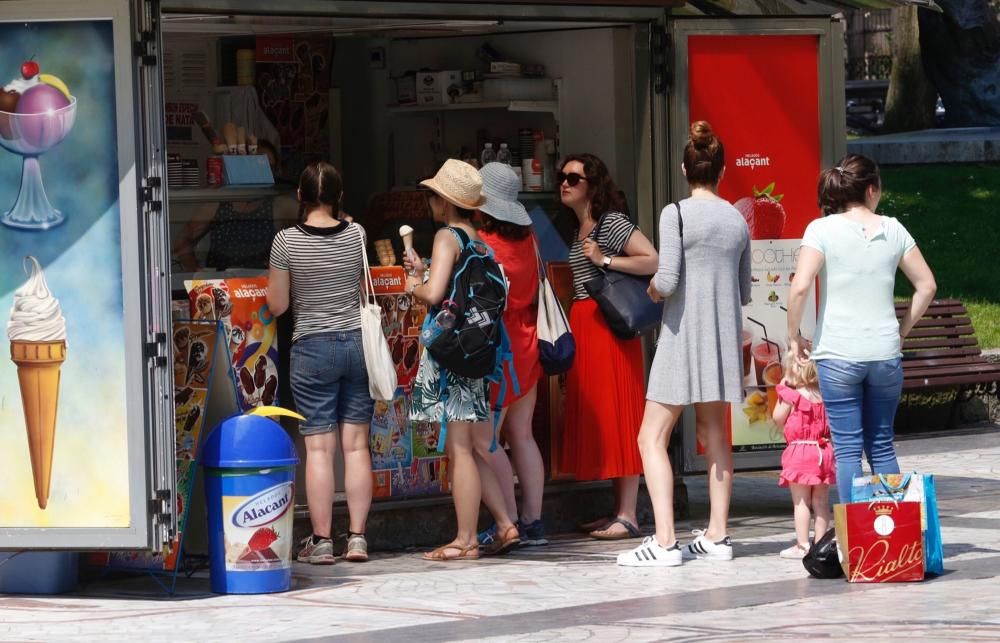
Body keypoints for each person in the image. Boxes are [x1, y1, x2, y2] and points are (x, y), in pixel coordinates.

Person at [617, 122, 751, 567]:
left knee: (650, 437)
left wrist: (652, 291)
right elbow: (743, 290)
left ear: (683, 168)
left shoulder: (674, 213)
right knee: (716, 437)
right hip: (721, 340)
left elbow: (669, 279)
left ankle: (665, 541)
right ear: (723, 171)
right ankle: (717, 535)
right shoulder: (737, 219)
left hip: (681, 337)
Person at [786, 153, 936, 504]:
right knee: (881, 445)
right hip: (885, 353)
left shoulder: (820, 229)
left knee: (848, 449)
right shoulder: (895, 229)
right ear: (872, 188)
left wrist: (793, 337)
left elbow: (800, 286)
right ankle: (891, 540)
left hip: (837, 355)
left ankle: (855, 543)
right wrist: (902, 330)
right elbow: (926, 285)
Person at [404, 159, 520, 561]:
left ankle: (466, 538)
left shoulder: (445, 236)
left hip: (455, 355)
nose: (429, 201)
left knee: (460, 448)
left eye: (433, 195)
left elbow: (434, 295)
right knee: (472, 443)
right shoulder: (478, 240)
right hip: (478, 351)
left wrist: (414, 283)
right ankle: (505, 524)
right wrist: (427, 271)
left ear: (444, 201)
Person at [267, 161, 374, 564]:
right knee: (357, 446)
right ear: (340, 197)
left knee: (319, 450)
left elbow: (278, 304)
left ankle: (322, 541)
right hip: (356, 346)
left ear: (299, 196)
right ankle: (358, 538)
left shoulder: (286, 241)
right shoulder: (358, 234)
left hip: (312, 347)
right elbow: (363, 291)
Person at [559, 153, 659, 541]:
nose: (564, 183)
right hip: (588, 323)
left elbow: (653, 259)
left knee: (621, 411)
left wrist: (606, 259)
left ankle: (629, 513)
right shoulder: (580, 225)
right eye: (562, 176)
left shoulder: (610, 223)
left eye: (573, 178)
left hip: (608, 325)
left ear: (592, 185)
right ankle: (619, 510)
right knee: (604, 413)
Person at [474, 163, 548, 549]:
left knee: (488, 442)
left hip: (496, 349)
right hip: (528, 343)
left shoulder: (482, 244)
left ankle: (509, 522)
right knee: (524, 436)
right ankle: (534, 521)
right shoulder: (530, 239)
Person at [174, 140, 285, 271]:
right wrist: (197, 273)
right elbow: (183, 240)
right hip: (222, 284)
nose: (261, 172)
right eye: (256, 164)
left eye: (269, 167)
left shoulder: (279, 205)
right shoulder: (220, 201)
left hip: (262, 284)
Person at [772, 353, 835, 559]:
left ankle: (802, 546)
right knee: (821, 502)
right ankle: (821, 544)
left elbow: (777, 418)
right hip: (823, 452)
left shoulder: (792, 395)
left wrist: (783, 390)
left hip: (800, 452)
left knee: (801, 502)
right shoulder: (824, 395)